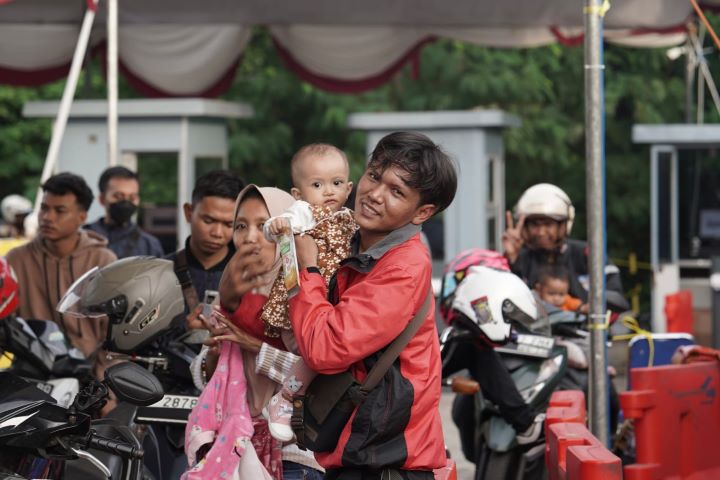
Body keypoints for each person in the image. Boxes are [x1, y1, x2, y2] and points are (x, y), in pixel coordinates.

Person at [285, 131, 456, 479]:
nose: (374, 195)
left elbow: (325, 346)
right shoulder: (353, 244)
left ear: (422, 211)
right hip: (360, 455)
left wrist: (308, 269)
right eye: (375, 176)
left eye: (396, 192)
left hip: (385, 463)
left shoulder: (402, 267)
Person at [184, 185, 323, 480]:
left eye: (264, 226)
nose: (249, 237)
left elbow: (318, 372)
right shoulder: (233, 289)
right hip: (236, 449)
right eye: (241, 226)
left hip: (295, 454)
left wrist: (253, 345)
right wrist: (216, 351)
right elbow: (205, 376)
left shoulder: (307, 292)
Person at [261, 143, 357, 441]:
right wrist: (276, 225)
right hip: (301, 302)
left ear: (349, 187)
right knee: (316, 355)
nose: (328, 191)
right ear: (298, 194)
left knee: (327, 357)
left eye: (337, 183)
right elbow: (275, 228)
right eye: (317, 184)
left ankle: (298, 400)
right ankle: (285, 399)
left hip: (329, 303)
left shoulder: (350, 219)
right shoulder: (304, 213)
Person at [6, 172, 116, 361]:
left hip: (91, 375)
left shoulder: (103, 261)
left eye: (60, 211)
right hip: (32, 374)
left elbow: (115, 331)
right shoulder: (15, 260)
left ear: (82, 217)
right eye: (43, 208)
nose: (47, 217)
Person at [502, 183, 627, 312]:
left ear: (563, 225)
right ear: (525, 227)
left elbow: (617, 296)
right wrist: (510, 260)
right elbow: (505, 301)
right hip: (531, 331)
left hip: (585, 331)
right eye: (534, 225)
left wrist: (592, 304)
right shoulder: (519, 259)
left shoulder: (586, 254)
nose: (540, 232)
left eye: (548, 224)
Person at [166, 170, 245, 328]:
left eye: (229, 224)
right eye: (208, 220)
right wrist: (183, 330)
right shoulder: (163, 272)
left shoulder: (248, 275)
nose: (217, 233)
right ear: (189, 212)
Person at [85, 166, 164, 258]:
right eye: (118, 196)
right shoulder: (84, 238)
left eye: (132, 197)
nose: (126, 202)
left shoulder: (149, 245)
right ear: (102, 199)